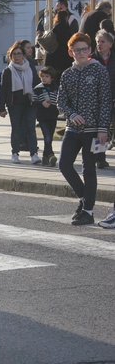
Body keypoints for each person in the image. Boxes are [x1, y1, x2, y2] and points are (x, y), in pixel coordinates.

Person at [57, 32, 112, 225]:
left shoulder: (98, 71)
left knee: (89, 169)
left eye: (84, 49)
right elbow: (61, 100)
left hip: (94, 130)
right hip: (73, 129)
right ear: (71, 52)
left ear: (90, 50)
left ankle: (88, 211)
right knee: (64, 164)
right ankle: (83, 199)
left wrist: (103, 128)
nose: (80, 53)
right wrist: (71, 114)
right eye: (76, 50)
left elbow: (105, 101)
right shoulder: (68, 74)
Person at [0, 42, 41, 164]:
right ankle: (15, 153)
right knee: (16, 129)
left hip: (29, 102)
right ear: (11, 56)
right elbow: (4, 90)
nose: (17, 56)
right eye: (14, 54)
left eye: (19, 54)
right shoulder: (8, 71)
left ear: (23, 55)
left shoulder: (30, 67)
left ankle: (34, 154)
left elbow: (36, 84)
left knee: (31, 128)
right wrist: (2, 108)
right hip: (15, 104)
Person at [92, 29, 115, 169]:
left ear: (110, 44)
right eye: (98, 42)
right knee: (101, 129)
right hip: (98, 101)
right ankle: (100, 158)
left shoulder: (113, 59)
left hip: (113, 98)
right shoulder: (92, 59)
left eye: (103, 42)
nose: (99, 44)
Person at [32, 66, 60, 167]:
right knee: (47, 136)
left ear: (51, 78)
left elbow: (60, 100)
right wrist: (42, 103)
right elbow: (33, 102)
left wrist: (55, 104)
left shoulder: (56, 88)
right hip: (42, 116)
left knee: (50, 136)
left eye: (46, 76)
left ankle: (45, 156)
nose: (44, 78)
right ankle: (51, 154)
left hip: (53, 115)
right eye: (42, 76)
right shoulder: (38, 88)